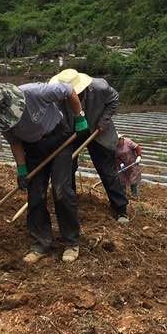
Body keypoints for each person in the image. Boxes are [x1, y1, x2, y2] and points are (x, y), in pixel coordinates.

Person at [0, 81, 88, 264]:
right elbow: (15, 142)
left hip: (58, 139)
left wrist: (79, 117)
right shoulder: (1, 118)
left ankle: (71, 242)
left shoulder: (35, 92)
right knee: (36, 196)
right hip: (33, 150)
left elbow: (69, 90)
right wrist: (21, 168)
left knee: (61, 191)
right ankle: (41, 244)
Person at [50, 69, 129, 223]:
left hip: (98, 130)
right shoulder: (58, 96)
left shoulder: (100, 88)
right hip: (74, 131)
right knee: (67, 167)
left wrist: (104, 121)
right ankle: (69, 204)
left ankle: (121, 209)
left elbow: (114, 99)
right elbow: (58, 116)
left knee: (106, 170)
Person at [115, 135, 143, 200]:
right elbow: (116, 157)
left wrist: (139, 156)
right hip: (123, 166)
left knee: (134, 179)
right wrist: (121, 164)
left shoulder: (128, 142)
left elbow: (137, 148)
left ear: (121, 139)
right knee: (122, 180)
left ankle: (134, 195)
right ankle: (123, 195)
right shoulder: (114, 146)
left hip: (132, 163)